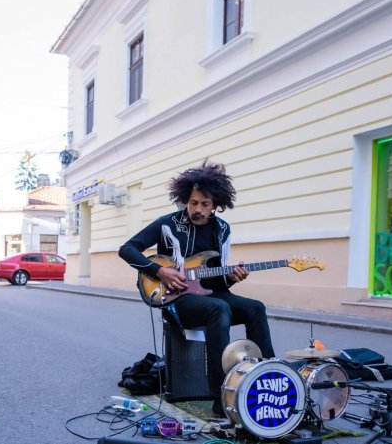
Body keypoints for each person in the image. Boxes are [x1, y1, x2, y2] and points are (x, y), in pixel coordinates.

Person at [118, 160, 275, 416]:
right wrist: (158, 270)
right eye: (193, 203)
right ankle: (220, 394)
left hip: (211, 295)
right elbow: (127, 249)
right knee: (218, 309)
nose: (198, 209)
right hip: (176, 299)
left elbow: (218, 280)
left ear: (216, 205)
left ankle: (267, 380)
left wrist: (232, 277)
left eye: (205, 204)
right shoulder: (167, 223)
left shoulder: (222, 230)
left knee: (255, 308)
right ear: (185, 199)